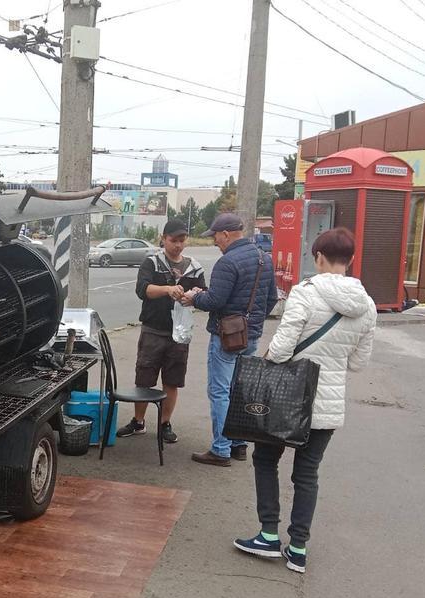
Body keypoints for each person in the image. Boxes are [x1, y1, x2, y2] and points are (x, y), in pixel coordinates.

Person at [233, 227, 376, 573]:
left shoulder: (305, 292)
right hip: (326, 404)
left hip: (287, 399)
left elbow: (281, 349)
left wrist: (269, 357)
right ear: (351, 260)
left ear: (319, 257)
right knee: (307, 473)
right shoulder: (367, 306)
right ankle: (298, 548)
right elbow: (358, 363)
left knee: (266, 459)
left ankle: (268, 535)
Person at [188, 212, 277, 467]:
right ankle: (239, 445)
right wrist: (254, 322)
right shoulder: (264, 258)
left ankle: (220, 449)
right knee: (240, 391)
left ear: (226, 234)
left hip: (226, 336)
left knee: (220, 391)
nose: (214, 242)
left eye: (215, 236)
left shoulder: (227, 263)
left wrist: (194, 297)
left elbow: (215, 301)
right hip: (251, 335)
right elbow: (271, 298)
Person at [116, 219, 206, 443]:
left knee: (172, 381)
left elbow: (204, 294)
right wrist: (167, 289)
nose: (178, 245)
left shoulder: (194, 266)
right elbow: (142, 290)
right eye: (173, 240)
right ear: (163, 239)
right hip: (153, 329)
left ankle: (165, 423)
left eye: (182, 240)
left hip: (180, 334)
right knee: (144, 378)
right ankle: (138, 421)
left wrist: (194, 295)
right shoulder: (152, 263)